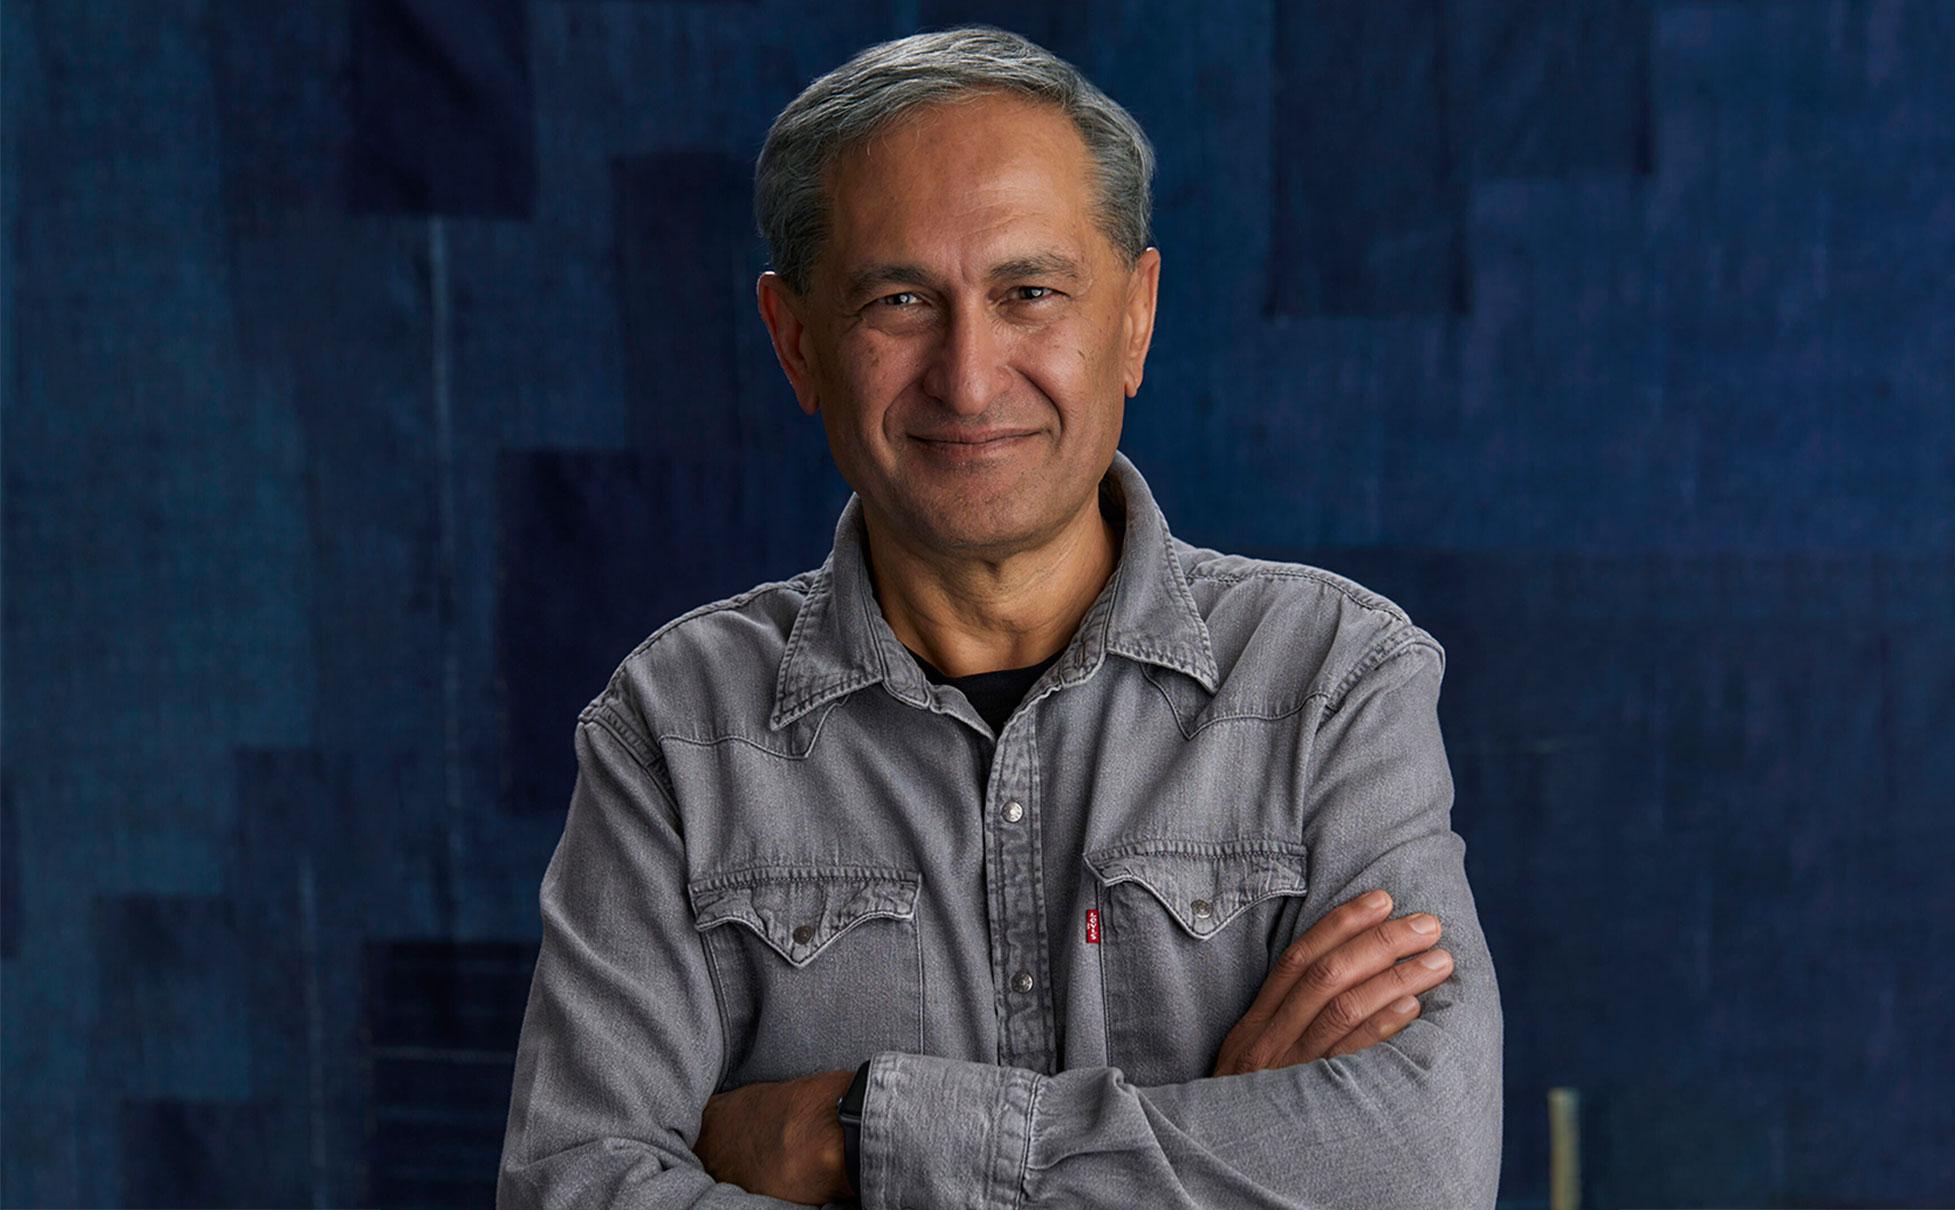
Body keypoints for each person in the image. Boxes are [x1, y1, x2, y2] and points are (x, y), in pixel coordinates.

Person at [498, 26, 1501, 1210]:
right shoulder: (670, 735)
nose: (968, 378)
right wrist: (1213, 1150)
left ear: (1132, 316)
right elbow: (576, 1193)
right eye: (899, 299)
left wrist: (854, 1131)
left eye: (1029, 292)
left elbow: (1414, 1172)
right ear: (796, 340)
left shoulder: (1332, 682)